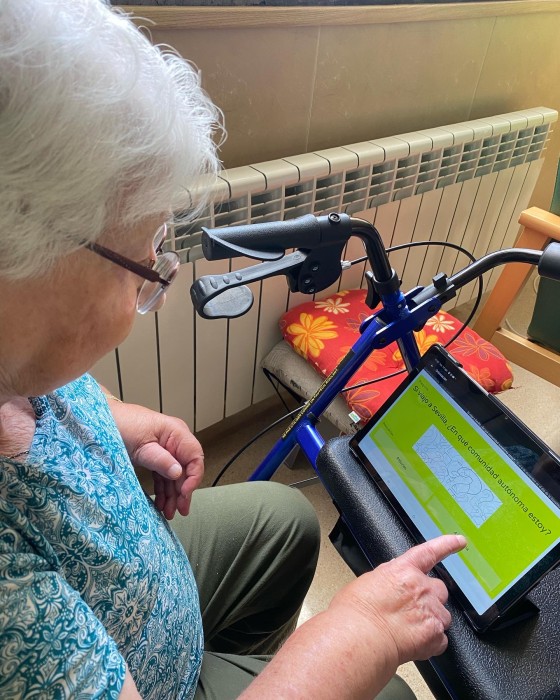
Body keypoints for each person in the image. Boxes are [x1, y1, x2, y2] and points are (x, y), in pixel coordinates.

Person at [0, 1, 466, 698]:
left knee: (284, 520)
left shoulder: (14, 353)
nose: (156, 282)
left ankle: (219, 664)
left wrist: (127, 423)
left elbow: (45, 382)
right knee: (391, 693)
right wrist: (359, 634)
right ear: (24, 260)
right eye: (145, 257)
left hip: (138, 593)